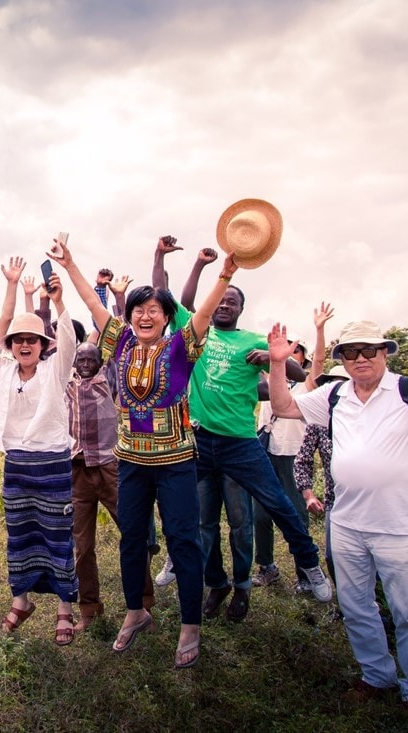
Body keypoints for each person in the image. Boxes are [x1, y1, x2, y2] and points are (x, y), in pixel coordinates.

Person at [268, 313, 408, 711]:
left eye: (369, 350)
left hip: (400, 526)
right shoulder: (335, 396)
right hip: (346, 523)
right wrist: (279, 363)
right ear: (343, 358)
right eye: (351, 352)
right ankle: (376, 675)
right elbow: (283, 407)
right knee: (355, 607)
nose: (360, 358)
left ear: (385, 352)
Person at [56, 236, 238, 668]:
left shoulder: (181, 346)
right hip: (131, 463)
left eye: (154, 310)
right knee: (132, 540)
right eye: (138, 309)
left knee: (183, 541)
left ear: (167, 317)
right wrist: (70, 264)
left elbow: (204, 312)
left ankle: (190, 625)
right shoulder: (120, 343)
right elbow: (93, 303)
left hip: (176, 463)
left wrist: (225, 274)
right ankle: (136, 612)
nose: (144, 315)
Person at [155, 222, 332, 624]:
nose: (224, 304)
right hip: (199, 442)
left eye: (232, 301)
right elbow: (171, 297)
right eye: (221, 299)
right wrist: (168, 257)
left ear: (240, 309)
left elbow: (296, 373)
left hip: (240, 443)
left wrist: (271, 358)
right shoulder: (197, 334)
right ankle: (194, 569)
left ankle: (307, 563)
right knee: (187, 511)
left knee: (273, 505)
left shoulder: (252, 340)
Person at [0, 261, 78, 647]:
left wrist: (59, 302)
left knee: (56, 536)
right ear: (12, 345)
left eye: (32, 340)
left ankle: (65, 607)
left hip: (52, 466)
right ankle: (21, 601)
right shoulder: (5, 371)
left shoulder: (55, 371)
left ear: (43, 345)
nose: (25, 345)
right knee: (20, 535)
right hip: (17, 466)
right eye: (18, 340)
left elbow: (69, 341)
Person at [252, 302, 334, 592]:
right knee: (260, 515)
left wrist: (319, 329)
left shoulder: (307, 386)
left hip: (294, 458)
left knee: (297, 516)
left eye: (295, 350)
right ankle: (267, 567)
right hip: (266, 453)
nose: (289, 352)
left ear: (302, 357)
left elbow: (320, 361)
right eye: (285, 348)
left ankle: (305, 574)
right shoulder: (268, 381)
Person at [64, 341, 122, 631]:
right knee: (83, 546)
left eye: (91, 359)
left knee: (133, 536)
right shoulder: (66, 382)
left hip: (109, 468)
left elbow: (114, 336)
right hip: (78, 471)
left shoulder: (108, 377)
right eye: (81, 359)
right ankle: (89, 609)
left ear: (101, 362)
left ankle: (143, 604)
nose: (86, 364)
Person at [294, 365, 349, 589]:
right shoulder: (319, 421)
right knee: (333, 556)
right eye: (330, 386)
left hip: (373, 502)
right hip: (335, 501)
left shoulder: (370, 418)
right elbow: (302, 460)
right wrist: (308, 495)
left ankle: (376, 599)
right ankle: (347, 600)